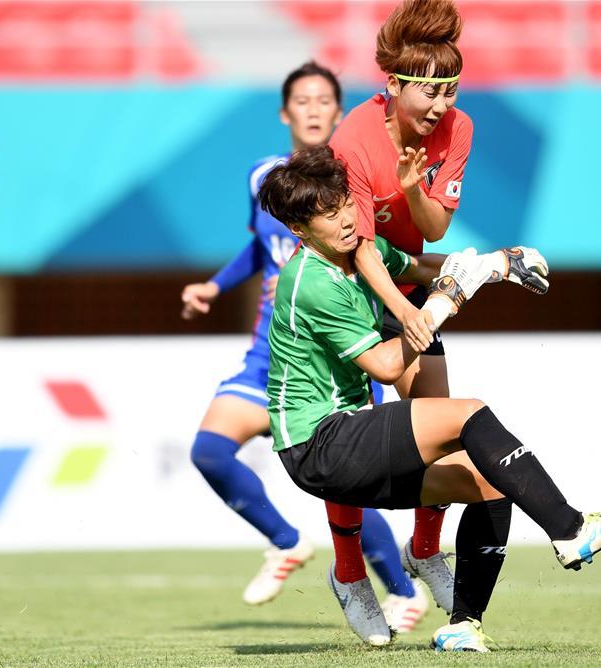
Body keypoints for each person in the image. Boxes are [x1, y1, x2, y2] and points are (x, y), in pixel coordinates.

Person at [258, 145, 601, 652]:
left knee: (490, 482)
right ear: (300, 230)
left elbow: (425, 266)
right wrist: (446, 300)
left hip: (349, 437)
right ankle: (570, 528)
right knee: (467, 414)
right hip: (317, 446)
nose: (343, 219)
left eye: (344, 204)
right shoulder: (310, 280)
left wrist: (497, 264)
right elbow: (386, 365)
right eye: (326, 214)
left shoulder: (363, 248)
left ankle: (463, 625)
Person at [180, 62, 428, 629]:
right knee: (209, 450)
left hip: (338, 353)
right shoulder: (265, 180)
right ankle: (288, 542)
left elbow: (378, 252)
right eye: (303, 100)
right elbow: (260, 246)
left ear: (339, 113)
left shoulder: (354, 181)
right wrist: (214, 286)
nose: (314, 109)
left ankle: (399, 588)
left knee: (348, 487)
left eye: (324, 101)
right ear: (285, 113)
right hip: (272, 352)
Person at [327, 0, 473, 616]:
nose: (442, 106)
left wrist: (414, 188)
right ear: (392, 85)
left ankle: (424, 548)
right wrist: (405, 312)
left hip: (406, 280)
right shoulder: (352, 139)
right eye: (430, 92)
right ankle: (350, 573)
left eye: (452, 90)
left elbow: (435, 230)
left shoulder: (458, 129)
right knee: (351, 441)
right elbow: (357, 247)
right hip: (347, 291)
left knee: (438, 420)